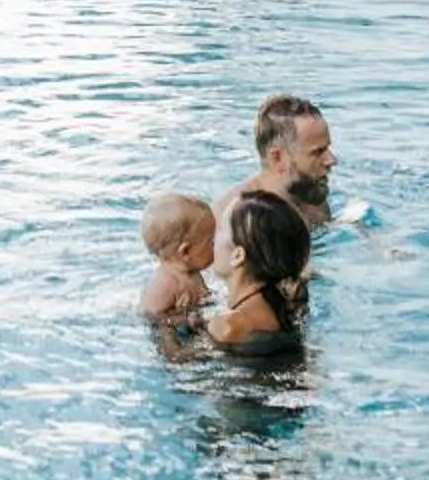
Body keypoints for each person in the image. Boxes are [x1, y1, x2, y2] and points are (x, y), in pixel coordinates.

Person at [208, 191, 310, 356]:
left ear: (238, 256)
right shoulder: (289, 306)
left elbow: (178, 363)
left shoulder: (228, 326)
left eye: (219, 229)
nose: (212, 238)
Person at [220, 93, 336, 238]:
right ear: (277, 158)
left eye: (327, 149)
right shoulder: (234, 221)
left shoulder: (310, 197)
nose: (332, 160)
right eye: (317, 152)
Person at [139, 192, 216, 324]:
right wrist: (182, 319)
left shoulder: (192, 271)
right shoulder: (165, 284)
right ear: (185, 251)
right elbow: (153, 317)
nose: (216, 246)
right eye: (210, 242)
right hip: (168, 333)